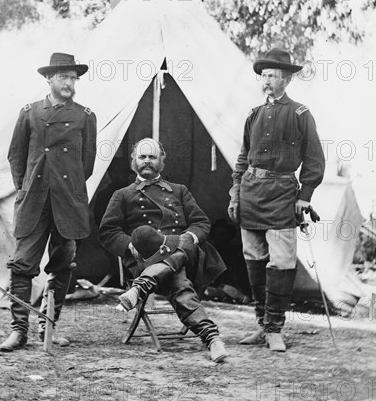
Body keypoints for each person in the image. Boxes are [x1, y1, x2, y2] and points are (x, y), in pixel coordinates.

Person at [228, 48, 325, 352]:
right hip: (251, 193)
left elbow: (314, 160)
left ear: (286, 79)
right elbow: (243, 157)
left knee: (281, 263)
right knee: (254, 259)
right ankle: (261, 325)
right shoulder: (253, 114)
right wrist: (235, 191)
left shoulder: (300, 114)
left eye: (272, 76)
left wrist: (304, 197)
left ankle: (275, 329)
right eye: (264, 75)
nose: (266, 81)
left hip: (283, 194)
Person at [0, 52, 97, 352]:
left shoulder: (85, 116)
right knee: (22, 264)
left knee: (63, 265)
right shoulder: (29, 113)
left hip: (68, 202)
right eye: (64, 77)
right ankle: (19, 330)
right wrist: (28, 188)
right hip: (34, 203)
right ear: (49, 79)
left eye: (73, 78)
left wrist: (65, 185)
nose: (70, 83)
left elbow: (87, 164)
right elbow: (16, 157)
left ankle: (47, 327)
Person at [99, 138, 229, 363]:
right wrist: (130, 244)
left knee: (179, 250)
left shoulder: (179, 191)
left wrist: (187, 238)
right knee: (170, 271)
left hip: (185, 254)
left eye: (152, 157)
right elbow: (108, 231)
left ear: (162, 161)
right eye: (142, 156)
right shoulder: (123, 194)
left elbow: (201, 223)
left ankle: (141, 287)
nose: (147, 161)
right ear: (133, 161)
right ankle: (212, 337)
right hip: (146, 257)